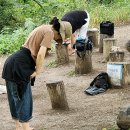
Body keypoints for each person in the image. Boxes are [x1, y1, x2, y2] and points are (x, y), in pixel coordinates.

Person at [2, 19, 72, 130]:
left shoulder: (43, 27)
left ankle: (18, 126)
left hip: (11, 62)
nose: (57, 39)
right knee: (24, 96)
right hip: (21, 64)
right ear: (58, 31)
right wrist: (38, 71)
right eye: (59, 37)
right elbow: (40, 54)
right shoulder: (49, 31)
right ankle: (26, 128)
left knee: (14, 96)